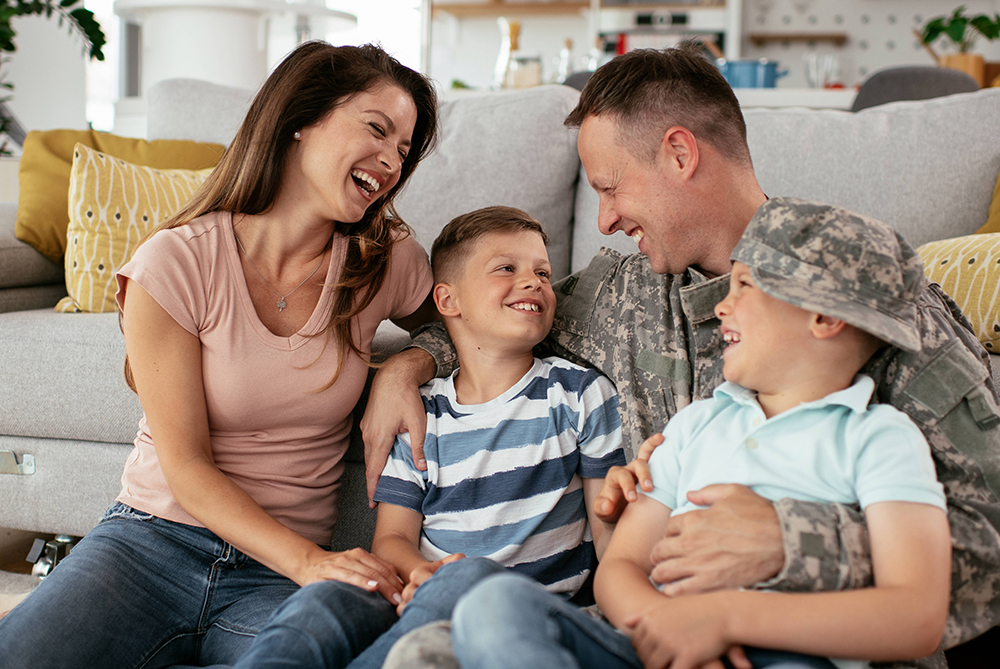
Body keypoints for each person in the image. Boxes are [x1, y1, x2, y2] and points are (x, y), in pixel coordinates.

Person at [363, 43, 1000, 668]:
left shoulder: (867, 298)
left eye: (611, 189)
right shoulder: (619, 295)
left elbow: (988, 543)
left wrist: (792, 543)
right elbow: (487, 321)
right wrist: (406, 366)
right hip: (645, 629)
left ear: (679, 153)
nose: (605, 220)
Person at [0, 41, 439, 668]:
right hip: (149, 544)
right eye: (377, 129)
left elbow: (475, 319)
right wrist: (312, 562)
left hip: (273, 581)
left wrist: (405, 364)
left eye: (404, 149)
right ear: (301, 119)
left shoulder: (381, 262)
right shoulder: (174, 262)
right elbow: (185, 466)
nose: (392, 161)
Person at [450, 198, 951, 669]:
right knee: (494, 602)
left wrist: (722, 620)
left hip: (788, 652)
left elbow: (917, 616)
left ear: (822, 317)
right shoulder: (698, 425)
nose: (722, 307)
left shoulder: (881, 437)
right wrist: (663, 625)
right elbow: (620, 568)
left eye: (745, 287)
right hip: (652, 642)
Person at [231, 205, 626, 669]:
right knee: (324, 602)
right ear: (447, 301)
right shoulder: (423, 412)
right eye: (507, 268)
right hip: (419, 592)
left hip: (522, 611)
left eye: (543, 270)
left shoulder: (579, 394)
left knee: (466, 577)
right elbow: (394, 538)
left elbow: (609, 535)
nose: (535, 281)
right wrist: (422, 575)